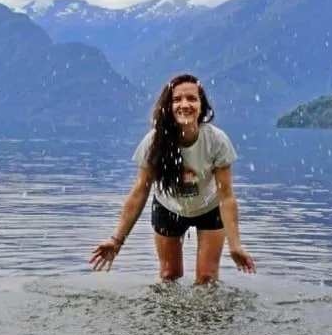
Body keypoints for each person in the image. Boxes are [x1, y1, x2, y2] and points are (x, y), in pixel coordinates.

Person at [89, 72, 256, 283]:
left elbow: (226, 197)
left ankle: (207, 315)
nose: (184, 105)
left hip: (209, 208)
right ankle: (169, 316)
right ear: (168, 106)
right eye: (177, 99)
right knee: (170, 275)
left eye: (191, 99)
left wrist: (235, 245)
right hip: (169, 207)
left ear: (201, 106)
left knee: (207, 277)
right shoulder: (154, 142)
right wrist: (117, 240)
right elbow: (140, 192)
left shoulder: (216, 141)